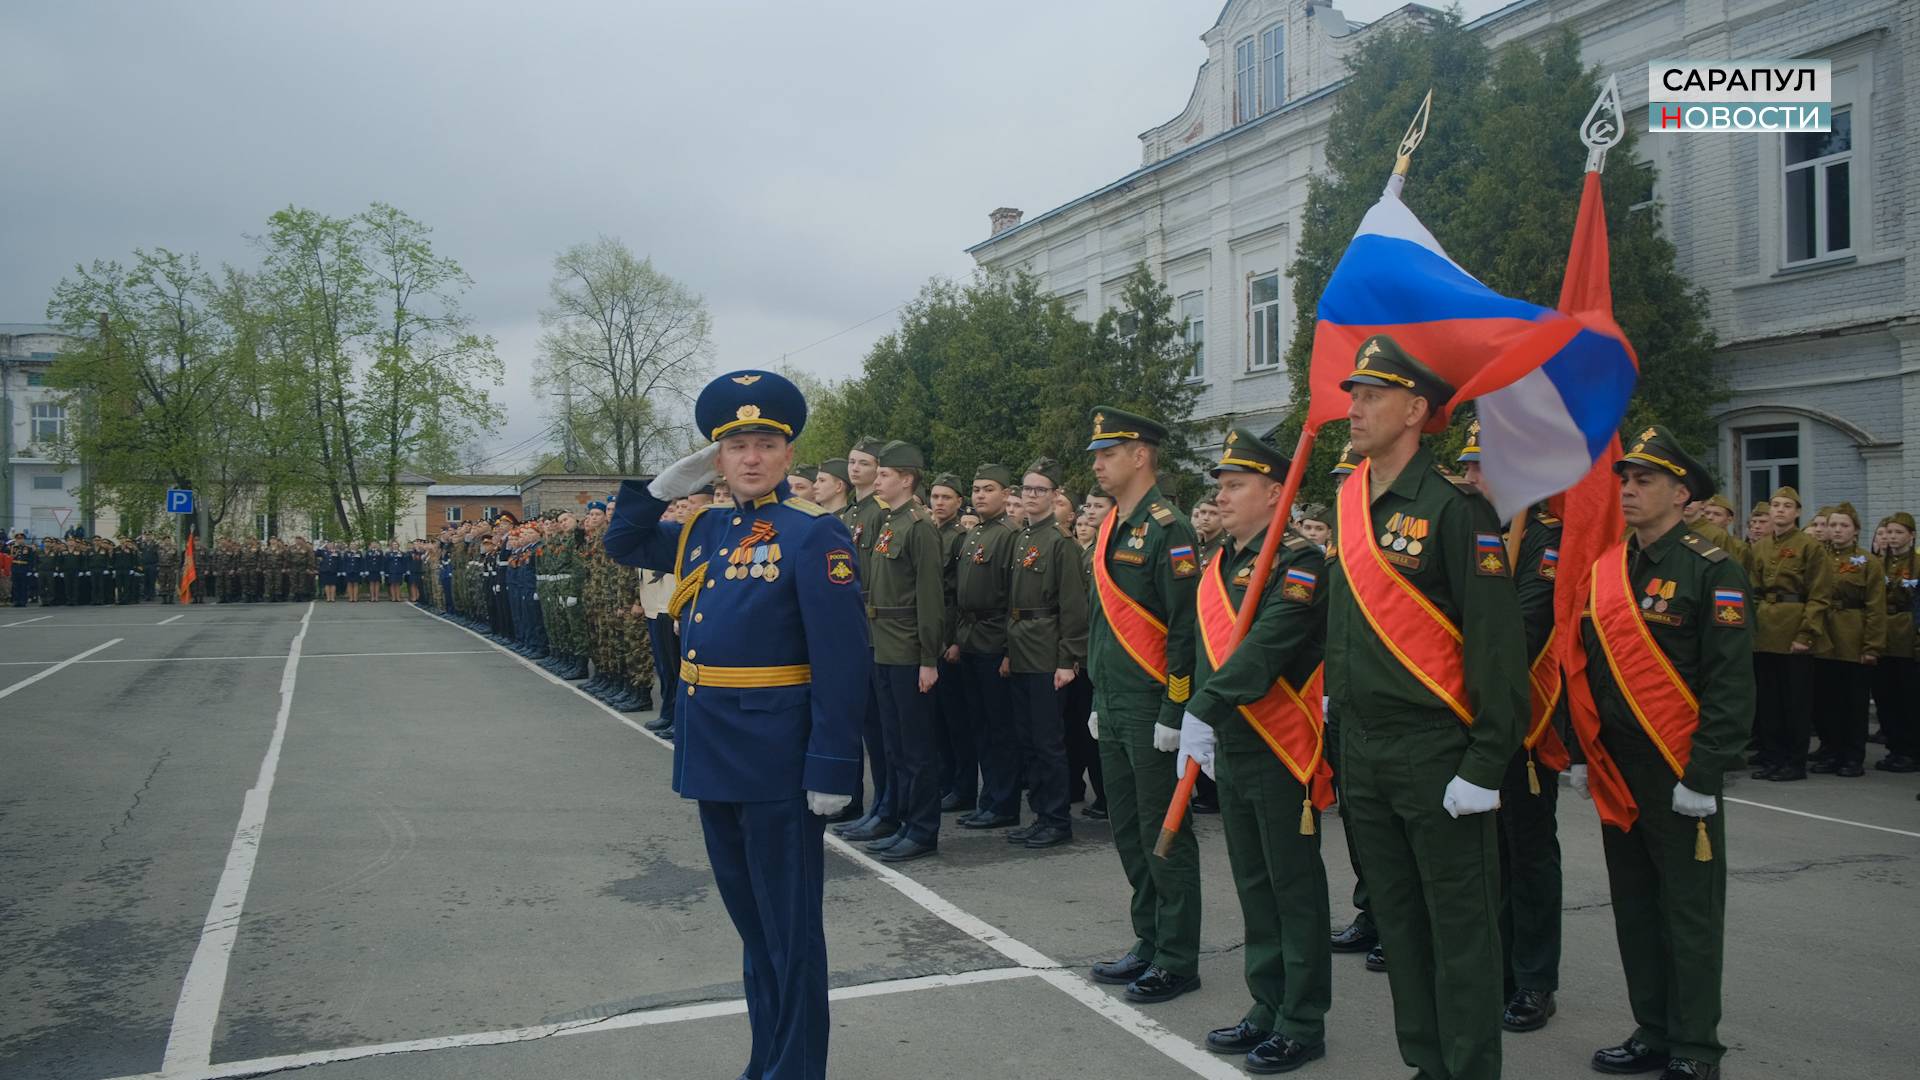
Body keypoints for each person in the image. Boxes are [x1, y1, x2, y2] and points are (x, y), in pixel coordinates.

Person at [602, 368, 867, 1080]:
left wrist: (833, 767)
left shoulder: (815, 534)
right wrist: (660, 488)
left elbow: (843, 661)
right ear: (717, 459)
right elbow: (623, 543)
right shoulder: (705, 527)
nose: (751, 458)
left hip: (779, 763)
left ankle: (794, 1071)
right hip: (714, 753)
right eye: (736, 445)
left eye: (765, 444)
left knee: (790, 937)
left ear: (788, 455)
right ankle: (768, 1063)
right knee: (754, 931)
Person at [1327, 336, 1525, 1080]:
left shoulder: (1455, 510)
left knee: (1460, 927)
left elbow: (1496, 649)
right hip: (1364, 746)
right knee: (1399, 925)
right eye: (1353, 394)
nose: (1355, 407)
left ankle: (1470, 1068)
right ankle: (1428, 1062)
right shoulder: (1350, 501)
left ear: (1416, 410)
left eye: (1372, 395)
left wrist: (1486, 760)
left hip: (1436, 748)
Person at [1571, 425, 1752, 1080]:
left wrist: (1704, 772)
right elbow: (1588, 668)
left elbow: (1730, 686)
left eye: (1643, 480)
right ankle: (1652, 1028)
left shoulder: (1712, 569)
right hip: (1621, 772)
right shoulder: (1610, 568)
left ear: (1681, 494)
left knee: (1689, 914)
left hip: (1680, 770)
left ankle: (1696, 1048)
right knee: (1636, 907)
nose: (1628, 490)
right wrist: (1582, 750)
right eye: (1624, 479)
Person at [1176, 428, 1334, 1074]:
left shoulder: (1300, 562)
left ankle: (1302, 1018)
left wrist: (1202, 709)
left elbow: (1268, 648)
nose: (1224, 496)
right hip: (1234, 741)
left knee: (1291, 886)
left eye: (1236, 485)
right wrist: (1198, 711)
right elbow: (1206, 645)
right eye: (1221, 486)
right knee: (1253, 883)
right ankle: (1266, 1003)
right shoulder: (1226, 561)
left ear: (1277, 493)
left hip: (1277, 742)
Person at [1084, 406, 1204, 1004]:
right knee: (1129, 830)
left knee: (1165, 836)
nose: (1099, 464)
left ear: (1141, 455)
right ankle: (1149, 938)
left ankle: (1178, 956)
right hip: (1114, 698)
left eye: (1108, 453)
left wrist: (1175, 711)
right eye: (1096, 455)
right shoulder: (1113, 525)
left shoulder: (1168, 528)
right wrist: (1099, 695)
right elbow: (1106, 624)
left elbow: (1187, 630)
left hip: (1154, 702)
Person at [1457, 419, 1569, 1034]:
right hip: (1471, 715)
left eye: (1480, 465)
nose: (1469, 475)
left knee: (1527, 852)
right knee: (1487, 853)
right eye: (1467, 465)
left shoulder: (1543, 538)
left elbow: (1525, 623)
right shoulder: (1474, 532)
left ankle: (1534, 979)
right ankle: (1497, 964)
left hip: (1524, 723)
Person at [850, 440, 946, 862]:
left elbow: (930, 597)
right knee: (894, 744)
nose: (878, 478)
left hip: (908, 648)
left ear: (906, 479)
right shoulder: (890, 522)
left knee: (917, 746)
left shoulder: (919, 526)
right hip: (882, 644)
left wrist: (929, 658)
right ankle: (904, 820)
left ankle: (923, 829)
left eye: (885, 474)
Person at [1004, 457, 1088, 850]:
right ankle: (1040, 814)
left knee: (1049, 741)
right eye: (1027, 489)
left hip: (1046, 652)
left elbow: (1073, 606)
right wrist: (1008, 651)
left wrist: (1067, 659)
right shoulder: (1023, 538)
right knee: (1028, 740)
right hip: (1021, 650)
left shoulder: (1060, 543)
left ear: (1055, 496)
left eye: (1040, 490)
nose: (1032, 496)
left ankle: (1056, 819)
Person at [1324, 441, 1380, 971]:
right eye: (1340, 479)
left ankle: (1393, 917)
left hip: (1382, 701)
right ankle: (1372, 910)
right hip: (1342, 696)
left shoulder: (1379, 539)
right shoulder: (1340, 540)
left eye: (1352, 477)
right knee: (1357, 817)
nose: (1344, 486)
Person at [951, 463, 1023, 830]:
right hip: (971, 638)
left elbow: (1014, 595)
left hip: (995, 636)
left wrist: (1010, 650)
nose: (980, 495)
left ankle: (1004, 802)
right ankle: (988, 797)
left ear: (1007, 494)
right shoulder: (975, 533)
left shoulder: (1010, 535)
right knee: (979, 724)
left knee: (1000, 727)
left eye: (988, 489)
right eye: (976, 489)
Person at [1749, 486, 1831, 781]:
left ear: (1797, 512)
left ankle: (1794, 762)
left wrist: (1806, 633)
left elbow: (1819, 594)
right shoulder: (1759, 546)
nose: (1780, 510)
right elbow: (1751, 588)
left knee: (1794, 701)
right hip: (1764, 628)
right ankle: (1772, 757)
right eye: (1775, 505)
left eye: (1787, 506)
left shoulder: (1810, 547)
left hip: (1794, 626)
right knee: (1768, 700)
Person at [1811, 503, 1883, 777]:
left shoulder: (1867, 561)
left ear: (1855, 531)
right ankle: (1831, 750)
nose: (1837, 530)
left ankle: (1852, 756)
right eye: (1832, 525)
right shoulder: (1818, 557)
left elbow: (1876, 606)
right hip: (1823, 635)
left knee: (1853, 702)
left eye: (1843, 525)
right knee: (1826, 700)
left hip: (1853, 636)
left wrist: (1872, 645)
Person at [927, 472, 973, 813]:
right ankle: (945, 781)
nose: (939, 502)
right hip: (932, 634)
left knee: (959, 721)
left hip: (950, 635)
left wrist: (954, 639)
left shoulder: (960, 537)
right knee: (938, 719)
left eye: (946, 497)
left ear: (959, 502)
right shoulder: (930, 531)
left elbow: (959, 595)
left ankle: (964, 786)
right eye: (936, 496)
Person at [1875, 513, 1919, 772]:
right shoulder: (1878, 563)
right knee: (1886, 696)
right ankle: (1895, 747)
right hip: (1884, 633)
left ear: (1911, 535)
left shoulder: (1918, 564)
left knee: (1909, 698)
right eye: (1889, 532)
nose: (1892, 537)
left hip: (1907, 634)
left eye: (1898, 532)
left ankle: (1912, 751)